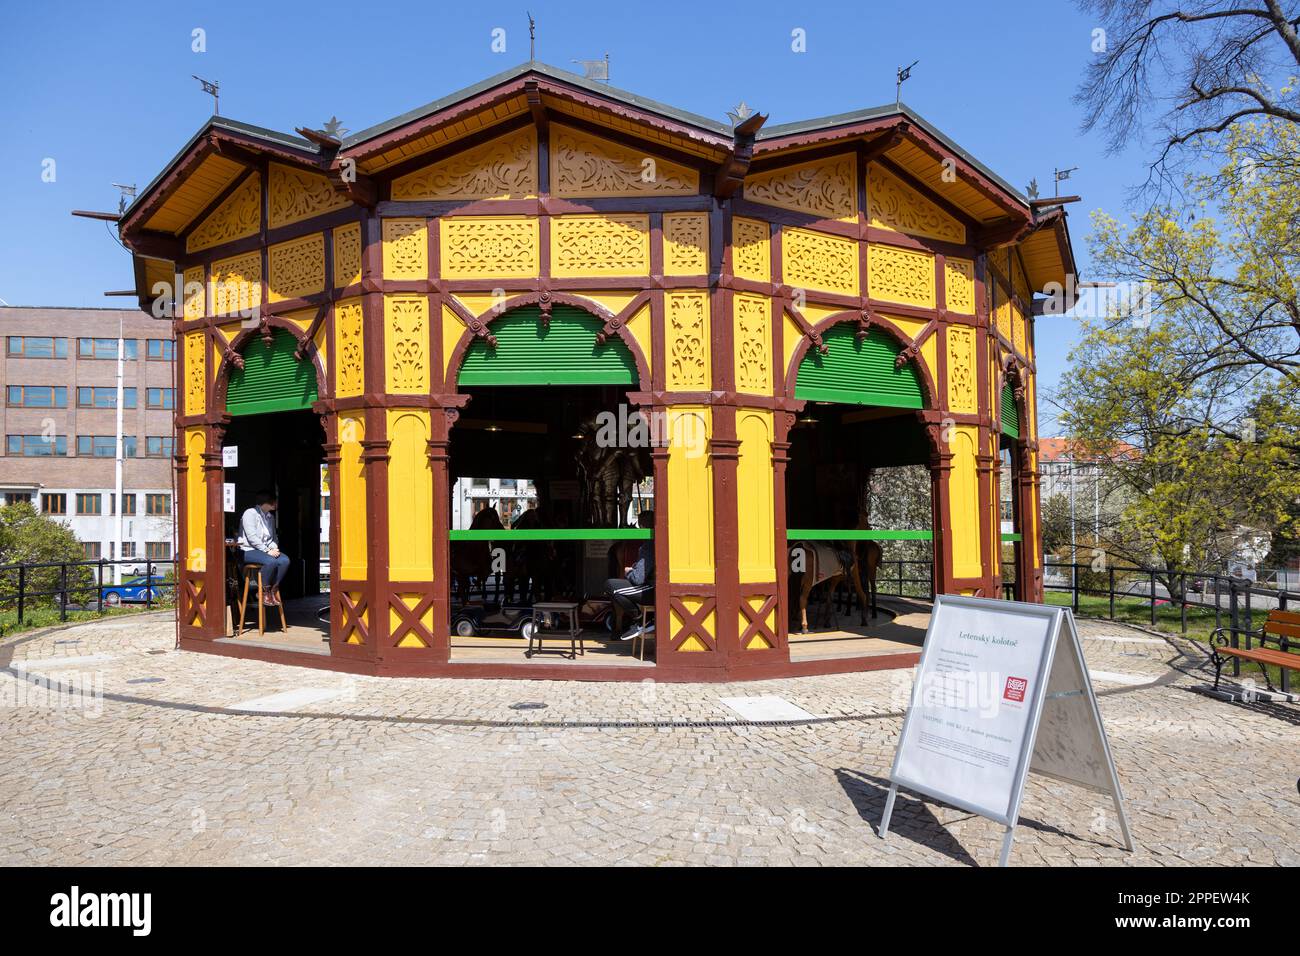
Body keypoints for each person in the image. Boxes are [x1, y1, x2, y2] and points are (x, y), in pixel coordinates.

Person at [605, 509, 654, 641]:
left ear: (642, 526)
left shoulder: (648, 546)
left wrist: (629, 571)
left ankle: (642, 620)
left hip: (651, 589)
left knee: (611, 585)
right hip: (655, 588)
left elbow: (638, 579)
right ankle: (643, 620)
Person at [238, 490, 290, 606]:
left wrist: (274, 548)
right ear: (267, 502)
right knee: (270, 561)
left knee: (284, 560)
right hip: (248, 550)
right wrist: (268, 550)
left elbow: (272, 538)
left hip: (264, 550)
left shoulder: (270, 517)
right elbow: (252, 537)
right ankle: (263, 591)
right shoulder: (250, 513)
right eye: (275, 502)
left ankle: (273, 590)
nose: (276, 504)